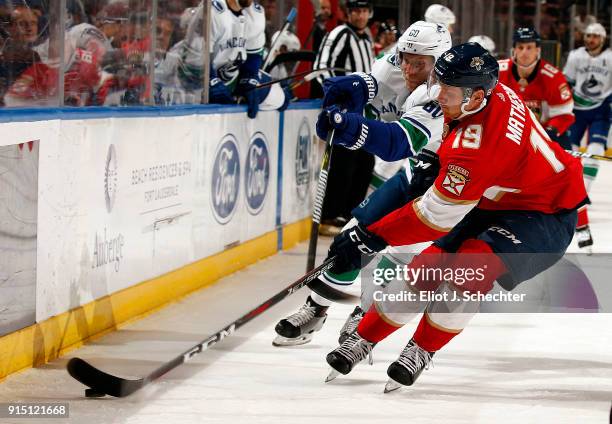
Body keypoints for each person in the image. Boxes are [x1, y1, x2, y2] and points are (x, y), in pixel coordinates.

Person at [319, 42, 587, 390]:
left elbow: (433, 218)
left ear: (476, 96)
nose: (438, 93)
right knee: (425, 268)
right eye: (439, 81)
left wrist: (369, 236)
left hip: (546, 214)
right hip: (498, 198)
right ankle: (365, 338)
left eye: (448, 88)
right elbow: (448, 138)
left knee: (468, 270)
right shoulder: (488, 90)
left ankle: (420, 348)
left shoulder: (477, 149)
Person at [273, 21, 452, 347]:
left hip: (449, 190)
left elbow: (398, 142)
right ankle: (315, 309)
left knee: (398, 253)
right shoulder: (396, 65)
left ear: (439, 62)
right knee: (353, 235)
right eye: (405, 58)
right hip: (416, 171)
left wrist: (352, 128)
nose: (409, 69)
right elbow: (371, 84)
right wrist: (345, 96)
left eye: (420, 63)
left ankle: (365, 315)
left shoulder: (446, 91)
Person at [312, 0, 375, 236]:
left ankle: (350, 215)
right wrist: (337, 100)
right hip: (344, 115)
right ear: (348, 13)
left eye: (364, 11)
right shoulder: (340, 34)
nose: (360, 16)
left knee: (364, 163)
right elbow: (322, 68)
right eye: (356, 11)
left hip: (364, 115)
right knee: (342, 165)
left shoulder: (366, 38)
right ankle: (329, 215)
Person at [563, 22, 612, 252]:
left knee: (595, 153)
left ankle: (583, 195)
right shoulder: (575, 56)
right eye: (589, 35)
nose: (591, 39)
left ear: (603, 39)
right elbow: (567, 83)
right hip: (576, 111)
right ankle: (573, 195)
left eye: (595, 36)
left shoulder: (611, 58)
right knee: (570, 156)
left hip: (600, 110)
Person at [498, 28, 574, 150]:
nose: (524, 52)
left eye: (529, 47)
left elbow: (564, 114)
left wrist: (549, 132)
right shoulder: (497, 72)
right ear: (514, 50)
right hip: (508, 134)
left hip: (543, 133)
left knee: (569, 166)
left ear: (537, 50)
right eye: (520, 47)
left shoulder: (553, 77)